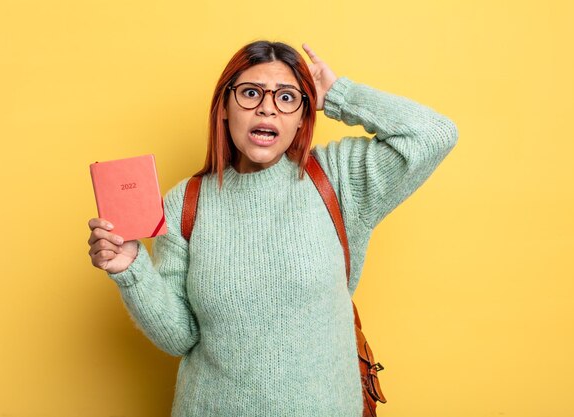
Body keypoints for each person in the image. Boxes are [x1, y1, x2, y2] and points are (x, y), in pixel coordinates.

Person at [87, 40, 458, 416]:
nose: (267, 107)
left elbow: (434, 134)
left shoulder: (338, 178)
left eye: (286, 97)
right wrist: (130, 269)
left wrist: (336, 94)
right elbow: (180, 336)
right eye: (250, 93)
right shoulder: (185, 202)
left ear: (302, 116)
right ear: (224, 110)